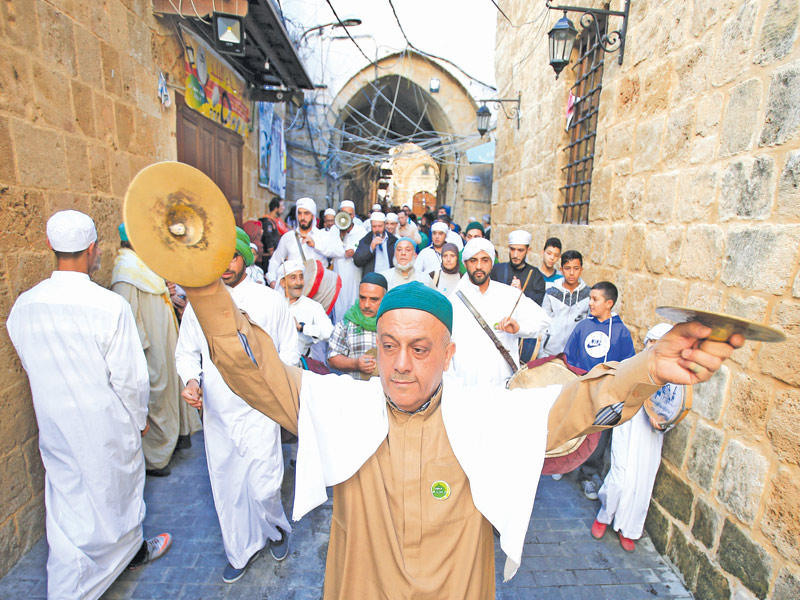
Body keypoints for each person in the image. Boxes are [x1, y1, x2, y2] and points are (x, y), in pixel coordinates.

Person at [174, 272, 739, 600]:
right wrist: (204, 287)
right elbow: (255, 371)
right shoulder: (335, 406)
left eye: (420, 350)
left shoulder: (487, 417)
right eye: (389, 345)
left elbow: (577, 406)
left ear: (448, 355)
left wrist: (649, 366)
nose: (400, 365)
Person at [7, 211, 171, 600]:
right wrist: (139, 418)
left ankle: (129, 552)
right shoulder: (107, 306)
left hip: (57, 423)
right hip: (107, 422)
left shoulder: (25, 306)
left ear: (50, 247)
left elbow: (29, 356)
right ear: (93, 249)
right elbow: (130, 378)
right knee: (115, 493)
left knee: (71, 501)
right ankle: (72, 588)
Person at [176, 231, 297, 584]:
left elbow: (289, 352)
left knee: (265, 481)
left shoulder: (269, 301)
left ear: (245, 257)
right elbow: (187, 352)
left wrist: (279, 390)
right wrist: (192, 382)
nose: (225, 266)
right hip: (219, 411)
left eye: (232, 257)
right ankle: (239, 549)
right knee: (227, 484)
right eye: (218, 258)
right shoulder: (199, 304)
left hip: (261, 407)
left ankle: (275, 529)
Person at [110, 223, 193, 476]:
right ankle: (156, 457)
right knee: (156, 397)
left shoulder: (142, 267)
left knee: (169, 391)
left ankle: (173, 439)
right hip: (149, 349)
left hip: (164, 342)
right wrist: (142, 349)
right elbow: (129, 316)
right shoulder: (125, 272)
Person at [592, 322, 674, 552]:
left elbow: (672, 407)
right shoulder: (632, 366)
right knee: (620, 477)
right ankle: (604, 516)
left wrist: (663, 423)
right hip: (629, 426)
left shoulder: (673, 376)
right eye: (653, 344)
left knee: (641, 482)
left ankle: (630, 529)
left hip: (650, 434)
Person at [564, 281, 636, 501]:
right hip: (581, 389)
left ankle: (588, 475)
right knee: (572, 428)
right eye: (590, 298)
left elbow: (628, 365)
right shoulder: (583, 327)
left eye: (595, 299)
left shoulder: (621, 332)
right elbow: (569, 355)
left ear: (609, 303)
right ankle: (563, 465)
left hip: (606, 396)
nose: (590, 303)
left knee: (597, 437)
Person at [450, 238, 550, 387]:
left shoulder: (509, 295)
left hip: (502, 385)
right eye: (473, 260)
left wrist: (518, 329)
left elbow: (543, 321)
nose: (479, 266)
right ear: (465, 263)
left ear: (492, 263)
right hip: (466, 386)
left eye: (485, 260)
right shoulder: (452, 302)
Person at [327, 273, 387, 380]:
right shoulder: (345, 325)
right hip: (355, 392)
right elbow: (332, 358)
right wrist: (355, 364)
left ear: (385, 299)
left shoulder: (392, 325)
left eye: (374, 299)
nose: (366, 304)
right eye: (362, 298)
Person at [267, 197, 339, 285]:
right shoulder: (288, 237)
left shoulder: (322, 236)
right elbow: (275, 260)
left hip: (318, 287)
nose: (302, 217)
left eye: (306, 213)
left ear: (313, 216)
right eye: (299, 213)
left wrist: (315, 245)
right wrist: (272, 280)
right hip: (294, 288)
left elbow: (338, 252)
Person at [277, 260, 334, 359]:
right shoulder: (274, 303)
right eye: (293, 278)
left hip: (301, 364)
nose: (298, 282)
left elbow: (328, 332)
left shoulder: (313, 306)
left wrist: (302, 327)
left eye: (301, 277)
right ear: (283, 283)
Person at [540, 250, 591, 358]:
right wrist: (541, 353)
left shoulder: (588, 295)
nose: (572, 273)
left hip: (575, 354)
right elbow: (542, 323)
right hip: (550, 352)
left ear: (581, 269)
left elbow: (589, 326)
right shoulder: (551, 293)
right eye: (567, 268)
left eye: (576, 268)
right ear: (561, 270)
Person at [330, 207, 367, 323]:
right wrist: (342, 235)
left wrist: (355, 252)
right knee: (339, 301)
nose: (348, 217)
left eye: (350, 214)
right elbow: (329, 248)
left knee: (353, 298)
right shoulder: (333, 230)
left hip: (354, 273)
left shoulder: (361, 231)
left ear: (354, 215)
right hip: (339, 271)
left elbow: (364, 250)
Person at [490, 230, 546, 306]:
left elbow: (539, 302)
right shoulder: (497, 270)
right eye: (512, 249)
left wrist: (522, 293)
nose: (515, 255)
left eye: (520, 250)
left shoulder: (535, 275)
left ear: (528, 250)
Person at [259, 198, 288, 268]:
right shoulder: (267, 222)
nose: (284, 208)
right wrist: (273, 256)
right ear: (276, 208)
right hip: (268, 258)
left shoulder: (274, 221)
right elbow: (268, 238)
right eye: (282, 206)